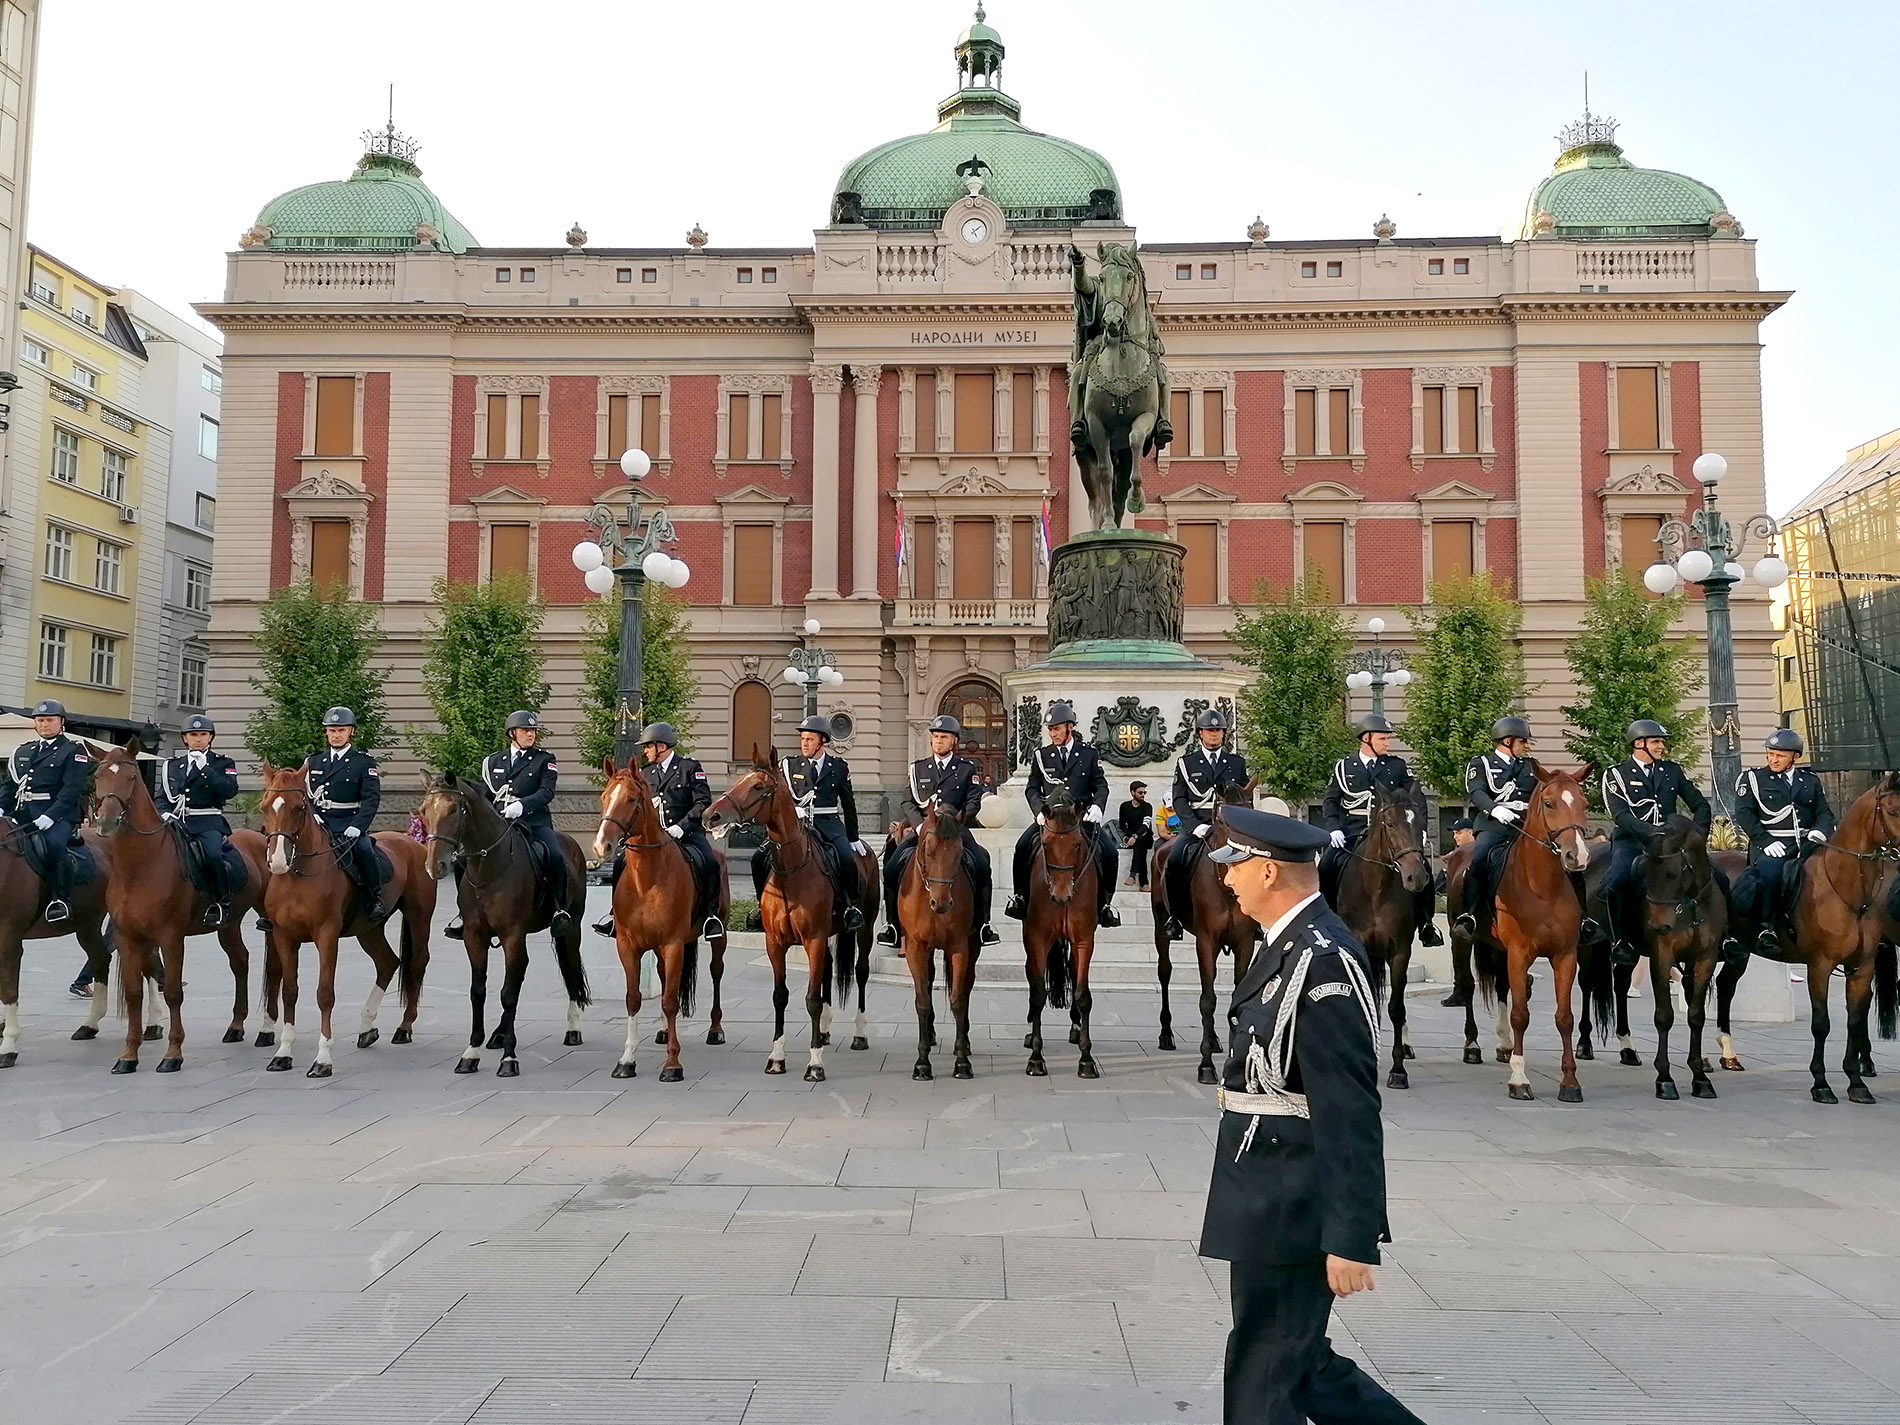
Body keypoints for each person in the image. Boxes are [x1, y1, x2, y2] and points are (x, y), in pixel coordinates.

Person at [1200, 806, 1424, 1425]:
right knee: (1299, 1367)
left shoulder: (1323, 960)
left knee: (1266, 1370)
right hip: (1265, 1192)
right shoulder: (1286, 946)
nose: (1226, 880)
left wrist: (1352, 1238)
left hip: (1293, 1200)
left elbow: (1350, 1110)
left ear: (1268, 872)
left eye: (1234, 867)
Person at [1601, 719, 1727, 968]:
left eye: (1661, 741)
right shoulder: (1616, 775)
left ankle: (1725, 937)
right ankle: (1621, 940)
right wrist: (1651, 831)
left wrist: (1697, 835)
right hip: (1633, 842)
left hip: (1670, 846)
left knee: (1719, 878)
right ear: (1639, 743)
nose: (1661, 746)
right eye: (1656, 741)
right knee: (1615, 881)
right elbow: (1620, 816)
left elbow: (1700, 805)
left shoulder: (1671, 771)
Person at [1318, 713, 1442, 947]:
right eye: (1382, 739)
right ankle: (1325, 921)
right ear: (1366, 739)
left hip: (1393, 833)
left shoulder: (1396, 766)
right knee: (1325, 866)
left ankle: (1426, 923)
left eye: (1387, 739)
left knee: (1422, 868)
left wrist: (1420, 829)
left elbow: (1417, 798)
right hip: (1353, 831)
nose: (1387, 743)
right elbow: (1330, 801)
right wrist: (1334, 828)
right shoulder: (1344, 767)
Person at [877, 714, 1000, 947]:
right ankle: (892, 926)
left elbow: (974, 800)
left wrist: (958, 820)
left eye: (944, 737)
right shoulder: (919, 768)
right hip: (923, 830)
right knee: (892, 866)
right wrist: (920, 825)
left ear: (954, 741)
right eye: (935, 736)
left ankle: (984, 924)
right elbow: (907, 802)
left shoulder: (966, 769)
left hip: (954, 829)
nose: (938, 741)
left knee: (982, 863)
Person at [447, 710, 572, 940]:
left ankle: (559, 909)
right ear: (512, 733)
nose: (530, 734)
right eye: (525, 730)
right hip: (499, 821)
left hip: (533, 821)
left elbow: (546, 792)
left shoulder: (545, 760)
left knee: (554, 855)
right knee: (461, 860)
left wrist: (523, 806)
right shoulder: (493, 761)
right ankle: (465, 914)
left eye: (533, 731)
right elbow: (485, 793)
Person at [593, 722, 724, 941]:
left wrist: (680, 828)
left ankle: (710, 916)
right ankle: (615, 916)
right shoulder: (644, 773)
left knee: (709, 862)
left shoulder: (689, 768)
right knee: (619, 863)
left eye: (648, 746)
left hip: (686, 834)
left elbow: (702, 802)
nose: (644, 751)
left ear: (661, 746)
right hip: (652, 838)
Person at [1006, 702, 1121, 928]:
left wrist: (1097, 807)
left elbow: (1100, 786)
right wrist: (1038, 810)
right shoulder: (1041, 755)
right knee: (1021, 848)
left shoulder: (1088, 754)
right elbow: (1032, 788)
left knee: (1110, 852)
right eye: (1050, 729)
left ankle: (1105, 905)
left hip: (1080, 819)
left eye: (1057, 728)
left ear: (1070, 727)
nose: (1052, 733)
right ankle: (1020, 898)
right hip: (1049, 820)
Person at [1731, 728, 1834, 953]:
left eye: (1780, 755)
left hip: (1806, 842)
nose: (1773, 759)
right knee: (1771, 873)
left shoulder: (1809, 780)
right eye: (1770, 754)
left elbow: (1824, 813)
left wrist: (1820, 832)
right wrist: (1765, 840)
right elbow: (1745, 814)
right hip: (1772, 844)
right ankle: (1766, 927)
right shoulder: (1752, 779)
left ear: (1794, 757)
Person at [1451, 715, 1543, 945]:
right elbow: (1477, 792)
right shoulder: (1481, 764)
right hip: (1494, 825)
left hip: (1525, 827)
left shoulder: (1530, 766)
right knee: (1479, 859)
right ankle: (1469, 914)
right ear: (1507, 741)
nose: (1526, 746)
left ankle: (1579, 918)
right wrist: (1495, 810)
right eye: (1523, 741)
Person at [0, 699, 92, 925]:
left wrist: (51, 815)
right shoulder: (23, 750)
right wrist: (1, 806)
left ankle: (60, 900)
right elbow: (10, 785)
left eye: (50, 720)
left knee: (54, 847)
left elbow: (72, 789)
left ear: (62, 722)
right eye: (40, 720)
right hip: (23, 811)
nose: (44, 724)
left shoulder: (73, 751)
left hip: (57, 815)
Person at [772, 714, 866, 931]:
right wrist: (793, 810)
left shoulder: (838, 767)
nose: (804, 743)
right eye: (803, 739)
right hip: (797, 825)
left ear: (822, 741)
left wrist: (853, 836)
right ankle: (761, 907)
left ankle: (851, 906)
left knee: (845, 857)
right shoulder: (789, 765)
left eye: (810, 739)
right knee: (761, 856)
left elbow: (848, 804)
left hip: (829, 823)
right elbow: (780, 796)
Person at [1164, 708, 1249, 940]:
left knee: (1255, 861)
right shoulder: (1186, 763)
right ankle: (1175, 916)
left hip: (1229, 826)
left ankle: (1253, 917)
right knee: (1174, 861)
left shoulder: (1236, 763)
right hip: (1197, 825)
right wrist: (1193, 826)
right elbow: (1179, 798)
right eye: (1209, 730)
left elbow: (1242, 798)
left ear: (1224, 734)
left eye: (1218, 730)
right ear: (1200, 733)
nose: (1214, 734)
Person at [155, 714, 243, 927]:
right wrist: (164, 812)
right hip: (176, 821)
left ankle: (221, 901)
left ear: (210, 737)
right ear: (185, 738)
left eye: (203, 735)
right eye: (193, 735)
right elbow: (162, 796)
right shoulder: (172, 765)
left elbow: (229, 790)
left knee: (213, 855)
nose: (197, 739)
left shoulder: (223, 763)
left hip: (207, 821)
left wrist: (205, 770)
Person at [306, 706, 391, 923]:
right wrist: (312, 814)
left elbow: (371, 800)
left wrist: (359, 826)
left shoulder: (363, 762)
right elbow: (303, 794)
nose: (336, 735)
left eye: (341, 730)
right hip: (319, 823)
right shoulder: (314, 762)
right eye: (332, 730)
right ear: (326, 732)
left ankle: (375, 899)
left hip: (349, 822)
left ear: (351, 732)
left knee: (365, 851)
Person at [1119, 781, 1155, 888]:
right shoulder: (1124, 806)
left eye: (1144, 793)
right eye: (1140, 792)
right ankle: (1144, 883)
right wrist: (1132, 835)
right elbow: (1122, 826)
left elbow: (1146, 825)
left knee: (1141, 842)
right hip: (1133, 838)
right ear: (1132, 792)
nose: (1143, 795)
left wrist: (1135, 836)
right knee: (1140, 848)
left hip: (1146, 837)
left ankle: (1132, 875)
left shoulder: (1148, 806)